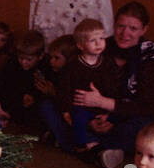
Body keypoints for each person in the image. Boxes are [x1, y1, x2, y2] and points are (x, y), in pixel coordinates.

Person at [73, 1, 154, 168]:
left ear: (144, 30)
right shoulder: (102, 45)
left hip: (132, 115)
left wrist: (107, 110)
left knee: (147, 132)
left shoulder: (152, 54)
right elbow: (81, 79)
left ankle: (86, 145)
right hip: (97, 112)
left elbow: (147, 106)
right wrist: (94, 119)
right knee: (56, 108)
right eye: (120, 26)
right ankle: (97, 148)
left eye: (133, 29)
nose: (125, 33)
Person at [44, 18, 121, 156]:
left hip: (103, 106)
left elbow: (114, 87)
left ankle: (102, 147)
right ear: (80, 46)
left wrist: (108, 112)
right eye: (93, 40)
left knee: (119, 120)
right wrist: (66, 110)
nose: (99, 43)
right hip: (81, 107)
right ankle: (82, 146)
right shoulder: (73, 66)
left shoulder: (108, 63)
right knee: (78, 120)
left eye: (102, 38)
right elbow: (65, 89)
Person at [0, 31, 53, 132]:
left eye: (29, 59)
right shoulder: (12, 63)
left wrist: (35, 96)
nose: (23, 62)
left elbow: (46, 90)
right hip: (10, 104)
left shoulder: (46, 66)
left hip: (32, 109)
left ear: (40, 56)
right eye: (21, 58)